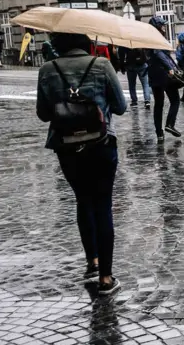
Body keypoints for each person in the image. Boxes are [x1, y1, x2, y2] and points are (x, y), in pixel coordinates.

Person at [35, 31, 127, 295]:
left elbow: (43, 114)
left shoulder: (47, 69)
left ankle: (93, 261)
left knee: (83, 201)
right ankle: (107, 278)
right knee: (103, 205)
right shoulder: (101, 65)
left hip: (66, 146)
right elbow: (120, 106)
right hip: (101, 143)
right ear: (86, 43)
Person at [146, 16, 183, 139]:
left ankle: (159, 133)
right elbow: (159, 54)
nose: (164, 27)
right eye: (162, 25)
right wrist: (170, 67)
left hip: (154, 74)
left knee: (159, 104)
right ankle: (169, 124)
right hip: (164, 74)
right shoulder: (156, 38)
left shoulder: (147, 38)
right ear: (157, 27)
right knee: (175, 100)